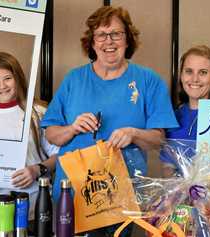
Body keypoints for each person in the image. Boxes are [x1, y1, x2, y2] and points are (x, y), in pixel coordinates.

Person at [40, 6, 178, 236]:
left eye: (116, 34)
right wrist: (73, 128)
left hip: (119, 198)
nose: (109, 41)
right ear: (92, 43)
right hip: (71, 192)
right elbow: (51, 133)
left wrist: (134, 133)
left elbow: (158, 140)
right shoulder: (74, 79)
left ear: (127, 40)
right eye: (101, 35)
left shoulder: (149, 81)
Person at [0, 52, 58, 216]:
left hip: (35, 206)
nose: (2, 86)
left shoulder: (38, 112)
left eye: (7, 78)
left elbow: (60, 157)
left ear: (18, 77)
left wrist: (36, 170)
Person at [160, 45, 210, 178]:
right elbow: (168, 167)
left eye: (203, 72)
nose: (195, 79)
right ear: (181, 76)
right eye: (189, 71)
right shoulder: (172, 117)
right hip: (178, 195)